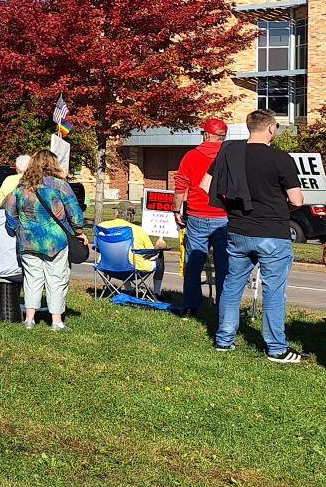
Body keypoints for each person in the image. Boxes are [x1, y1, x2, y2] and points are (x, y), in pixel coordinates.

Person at [210, 110, 305, 362]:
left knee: (232, 286)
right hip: (272, 233)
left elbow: (210, 187)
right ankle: (276, 348)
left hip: (238, 230)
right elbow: (296, 199)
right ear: (271, 128)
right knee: (273, 289)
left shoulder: (231, 153)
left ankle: (224, 340)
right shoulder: (280, 158)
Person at [5, 149, 88, 330]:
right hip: (55, 241)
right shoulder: (60, 185)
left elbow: (10, 214)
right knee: (56, 279)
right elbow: (75, 212)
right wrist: (79, 231)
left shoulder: (21, 186)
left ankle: (29, 319)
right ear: (53, 164)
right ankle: (56, 322)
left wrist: (17, 229)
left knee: (32, 279)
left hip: (28, 241)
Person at [174, 118, 229, 317]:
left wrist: (176, 210)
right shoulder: (229, 155)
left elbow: (181, 185)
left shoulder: (191, 156)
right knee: (224, 265)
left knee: (194, 263)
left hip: (197, 214)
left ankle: (190, 306)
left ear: (205, 134)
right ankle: (224, 307)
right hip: (224, 216)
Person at [98, 202, 168, 296]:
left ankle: (128, 288)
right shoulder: (138, 230)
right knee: (160, 256)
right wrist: (158, 248)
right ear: (131, 216)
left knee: (120, 253)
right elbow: (151, 253)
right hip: (132, 269)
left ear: (117, 213)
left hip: (106, 266)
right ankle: (157, 292)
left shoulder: (102, 226)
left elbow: (98, 247)